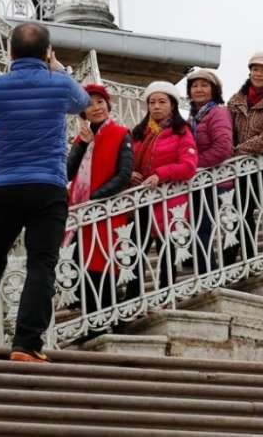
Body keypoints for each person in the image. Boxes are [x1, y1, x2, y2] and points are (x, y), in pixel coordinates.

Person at [0, 23, 90, 363]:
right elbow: (85, 102)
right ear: (47, 52)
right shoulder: (59, 84)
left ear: (10, 52)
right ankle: (26, 343)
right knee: (41, 263)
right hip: (47, 185)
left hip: (6, 185)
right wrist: (57, 67)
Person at [64, 84, 133, 328]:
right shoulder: (82, 137)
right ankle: (93, 322)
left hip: (106, 211)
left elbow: (123, 175)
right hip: (81, 215)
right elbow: (68, 172)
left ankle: (104, 322)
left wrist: (95, 198)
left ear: (108, 105)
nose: (96, 107)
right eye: (89, 104)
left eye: (100, 102)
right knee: (82, 267)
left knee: (102, 267)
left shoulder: (121, 133)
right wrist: (82, 144)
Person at [125, 81, 198, 300]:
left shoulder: (181, 131)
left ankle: (167, 296)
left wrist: (160, 174)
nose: (156, 106)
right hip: (141, 201)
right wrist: (129, 173)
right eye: (152, 102)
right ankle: (132, 300)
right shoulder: (138, 133)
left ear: (173, 105)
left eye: (162, 102)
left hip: (169, 202)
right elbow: (125, 161)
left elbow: (189, 165)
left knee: (167, 252)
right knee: (136, 252)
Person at [226, 52, 263, 263]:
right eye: (255, 69)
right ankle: (230, 257)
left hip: (259, 166)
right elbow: (226, 129)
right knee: (231, 211)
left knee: (246, 210)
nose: (258, 74)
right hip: (233, 167)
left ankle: (249, 258)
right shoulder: (236, 100)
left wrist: (239, 150)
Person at [184, 68, 233, 274]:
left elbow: (223, 148)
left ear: (214, 90)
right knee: (196, 228)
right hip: (200, 180)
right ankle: (204, 270)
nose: (199, 89)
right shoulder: (193, 117)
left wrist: (193, 165)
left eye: (204, 85)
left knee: (203, 228)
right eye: (194, 86)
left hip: (216, 181)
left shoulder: (217, 113)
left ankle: (208, 273)